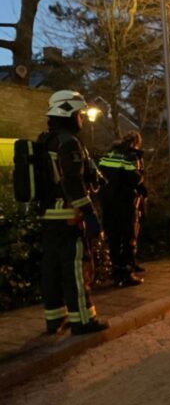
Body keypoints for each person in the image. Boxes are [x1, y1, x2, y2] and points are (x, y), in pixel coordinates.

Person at [37, 90, 109, 335]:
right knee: (76, 268)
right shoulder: (68, 142)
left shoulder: (46, 140)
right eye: (79, 114)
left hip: (48, 216)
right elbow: (73, 182)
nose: (81, 119)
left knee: (52, 268)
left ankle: (55, 318)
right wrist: (89, 213)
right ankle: (83, 320)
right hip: (69, 216)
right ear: (67, 112)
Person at [98, 130, 146, 287]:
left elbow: (99, 176)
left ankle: (115, 272)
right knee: (127, 237)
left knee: (113, 238)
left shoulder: (109, 154)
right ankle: (127, 273)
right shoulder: (130, 155)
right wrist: (141, 176)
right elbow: (135, 178)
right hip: (124, 201)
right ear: (135, 142)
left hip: (107, 201)